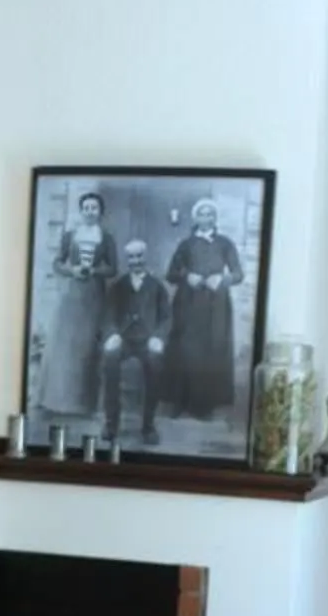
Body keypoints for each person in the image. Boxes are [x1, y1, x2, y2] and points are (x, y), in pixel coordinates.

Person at [161, 197, 247, 420]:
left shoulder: (225, 244)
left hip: (215, 304)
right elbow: (170, 273)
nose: (206, 218)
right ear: (195, 218)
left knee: (211, 350)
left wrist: (222, 279)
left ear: (215, 218)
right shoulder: (186, 244)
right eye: (202, 214)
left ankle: (204, 405)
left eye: (210, 214)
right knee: (183, 350)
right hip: (188, 302)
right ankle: (178, 401)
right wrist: (187, 276)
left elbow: (238, 274)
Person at [38, 191, 115, 415]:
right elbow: (57, 263)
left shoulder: (106, 238)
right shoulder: (70, 235)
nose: (90, 212)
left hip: (93, 296)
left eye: (94, 208)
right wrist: (72, 270)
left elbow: (112, 268)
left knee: (86, 348)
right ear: (81, 211)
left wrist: (93, 270)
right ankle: (55, 401)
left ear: (100, 212)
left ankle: (83, 404)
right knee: (63, 347)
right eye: (86, 208)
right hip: (70, 295)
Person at [101, 239, 177, 446]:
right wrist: (112, 334)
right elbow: (108, 315)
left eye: (139, 256)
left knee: (155, 364)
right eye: (131, 257)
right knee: (110, 360)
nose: (135, 261)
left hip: (147, 341)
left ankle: (149, 426)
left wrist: (159, 337)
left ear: (145, 257)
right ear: (127, 260)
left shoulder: (157, 287)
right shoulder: (118, 286)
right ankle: (111, 424)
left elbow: (166, 318)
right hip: (124, 339)